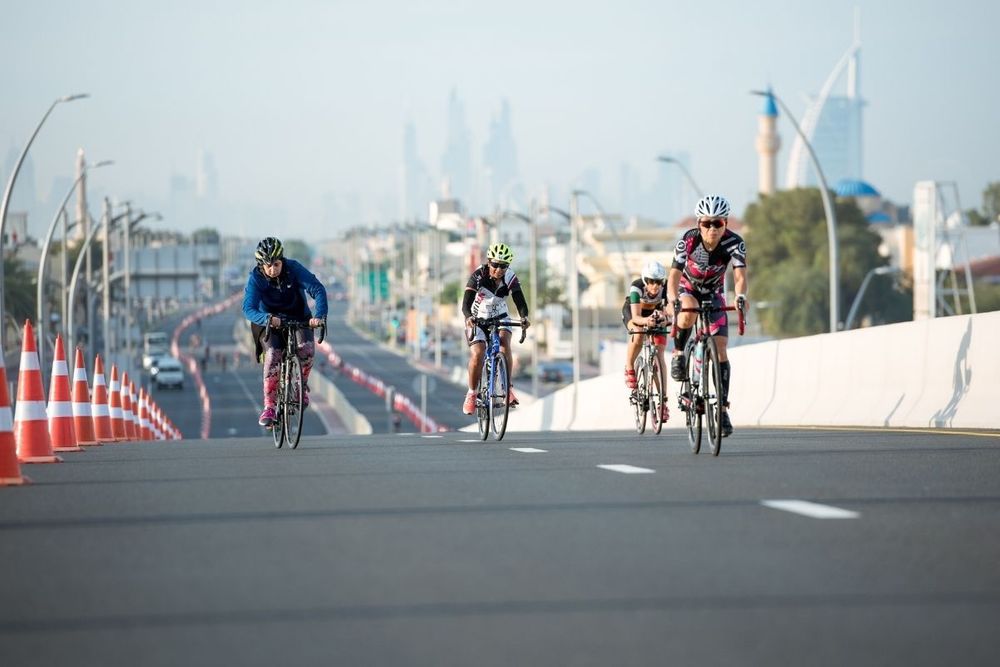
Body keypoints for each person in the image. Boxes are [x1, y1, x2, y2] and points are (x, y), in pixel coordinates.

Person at [667, 195, 748, 437]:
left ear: (725, 224)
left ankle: (722, 410)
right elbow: (674, 275)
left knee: (721, 348)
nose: (712, 229)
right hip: (688, 288)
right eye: (706, 223)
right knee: (688, 312)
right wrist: (672, 298)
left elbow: (740, 276)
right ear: (699, 224)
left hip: (714, 292)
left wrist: (740, 296)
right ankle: (679, 353)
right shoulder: (688, 240)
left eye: (718, 223)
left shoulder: (734, 242)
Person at [242, 237, 328, 427]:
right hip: (268, 320)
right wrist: (267, 319)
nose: (273, 269)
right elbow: (248, 308)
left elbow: (318, 289)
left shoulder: (293, 268)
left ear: (282, 260)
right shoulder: (256, 278)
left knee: (307, 349)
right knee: (273, 354)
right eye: (268, 266)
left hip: (298, 316)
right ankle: (269, 406)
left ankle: (300, 386)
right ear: (261, 265)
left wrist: (319, 316)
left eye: (277, 264)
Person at [461, 242, 530, 415]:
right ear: (489, 262)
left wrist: (524, 317)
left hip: (500, 315)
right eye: (495, 264)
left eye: (503, 266)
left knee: (505, 342)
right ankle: (471, 394)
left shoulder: (510, 276)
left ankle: (507, 388)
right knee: (478, 353)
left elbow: (519, 299)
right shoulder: (479, 275)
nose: (499, 269)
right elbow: (466, 302)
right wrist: (468, 317)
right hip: (477, 317)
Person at [622, 260, 671, 423]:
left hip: (655, 314)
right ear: (645, 280)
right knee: (639, 333)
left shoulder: (666, 289)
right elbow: (636, 317)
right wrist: (646, 321)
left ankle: (663, 402)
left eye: (658, 282)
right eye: (651, 281)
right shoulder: (636, 287)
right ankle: (630, 366)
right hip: (635, 313)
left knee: (659, 355)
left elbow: (671, 315)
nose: (655, 286)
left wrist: (665, 320)